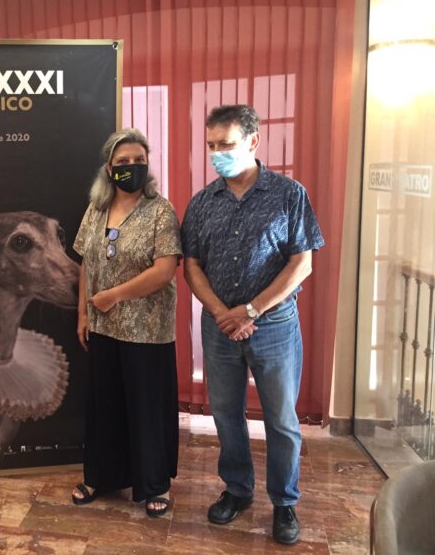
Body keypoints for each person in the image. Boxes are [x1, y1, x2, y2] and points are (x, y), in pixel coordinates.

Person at [181, 104, 324, 545]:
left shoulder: (288, 194)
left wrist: (252, 310)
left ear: (253, 142)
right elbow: (192, 266)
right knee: (226, 413)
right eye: (211, 146)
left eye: (226, 144)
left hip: (275, 325)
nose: (217, 153)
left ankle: (284, 503)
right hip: (219, 327)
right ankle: (237, 490)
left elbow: (302, 263)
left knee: (281, 419)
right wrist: (225, 313)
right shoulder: (203, 203)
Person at [70, 128, 182, 518]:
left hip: (147, 330)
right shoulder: (96, 209)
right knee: (105, 406)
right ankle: (103, 476)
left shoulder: (160, 210)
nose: (132, 167)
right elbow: (86, 260)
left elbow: (165, 270)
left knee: (146, 408)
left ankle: (154, 485)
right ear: (109, 168)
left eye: (139, 161)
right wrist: (84, 313)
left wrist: (114, 295)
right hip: (102, 327)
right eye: (123, 162)